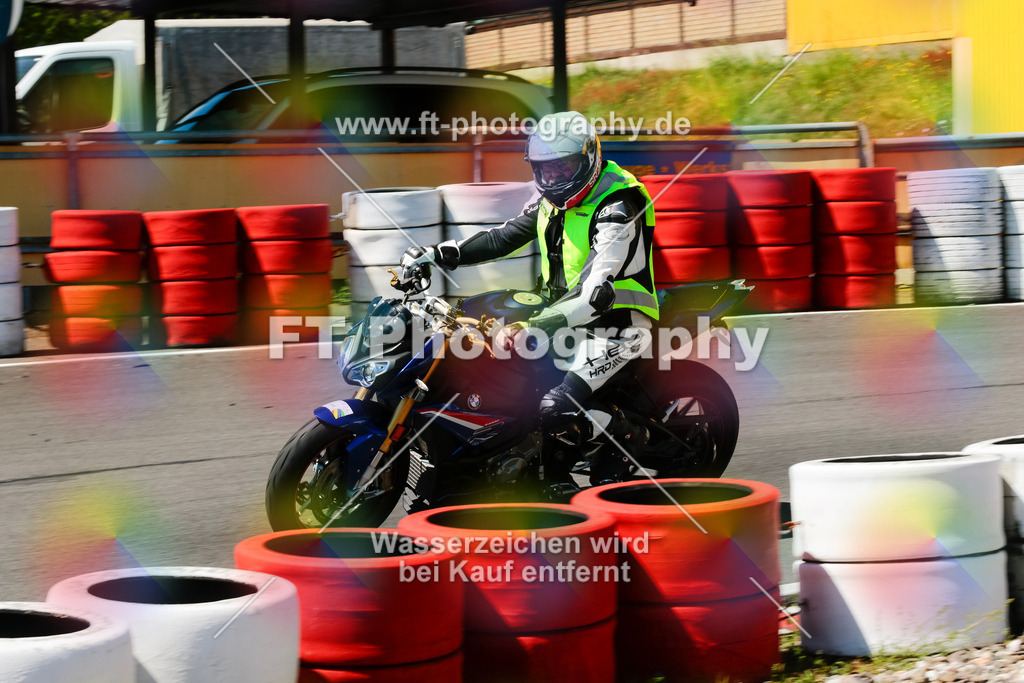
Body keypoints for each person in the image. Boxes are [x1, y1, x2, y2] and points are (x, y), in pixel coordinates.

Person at [401, 111, 658, 484]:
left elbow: (593, 295)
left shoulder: (617, 209)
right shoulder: (553, 201)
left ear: (589, 158)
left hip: (615, 326)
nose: (552, 178)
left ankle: (628, 435)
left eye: (563, 168)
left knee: (553, 407)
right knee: (490, 365)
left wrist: (531, 324)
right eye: (544, 169)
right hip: (561, 316)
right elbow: (502, 237)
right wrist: (437, 254)